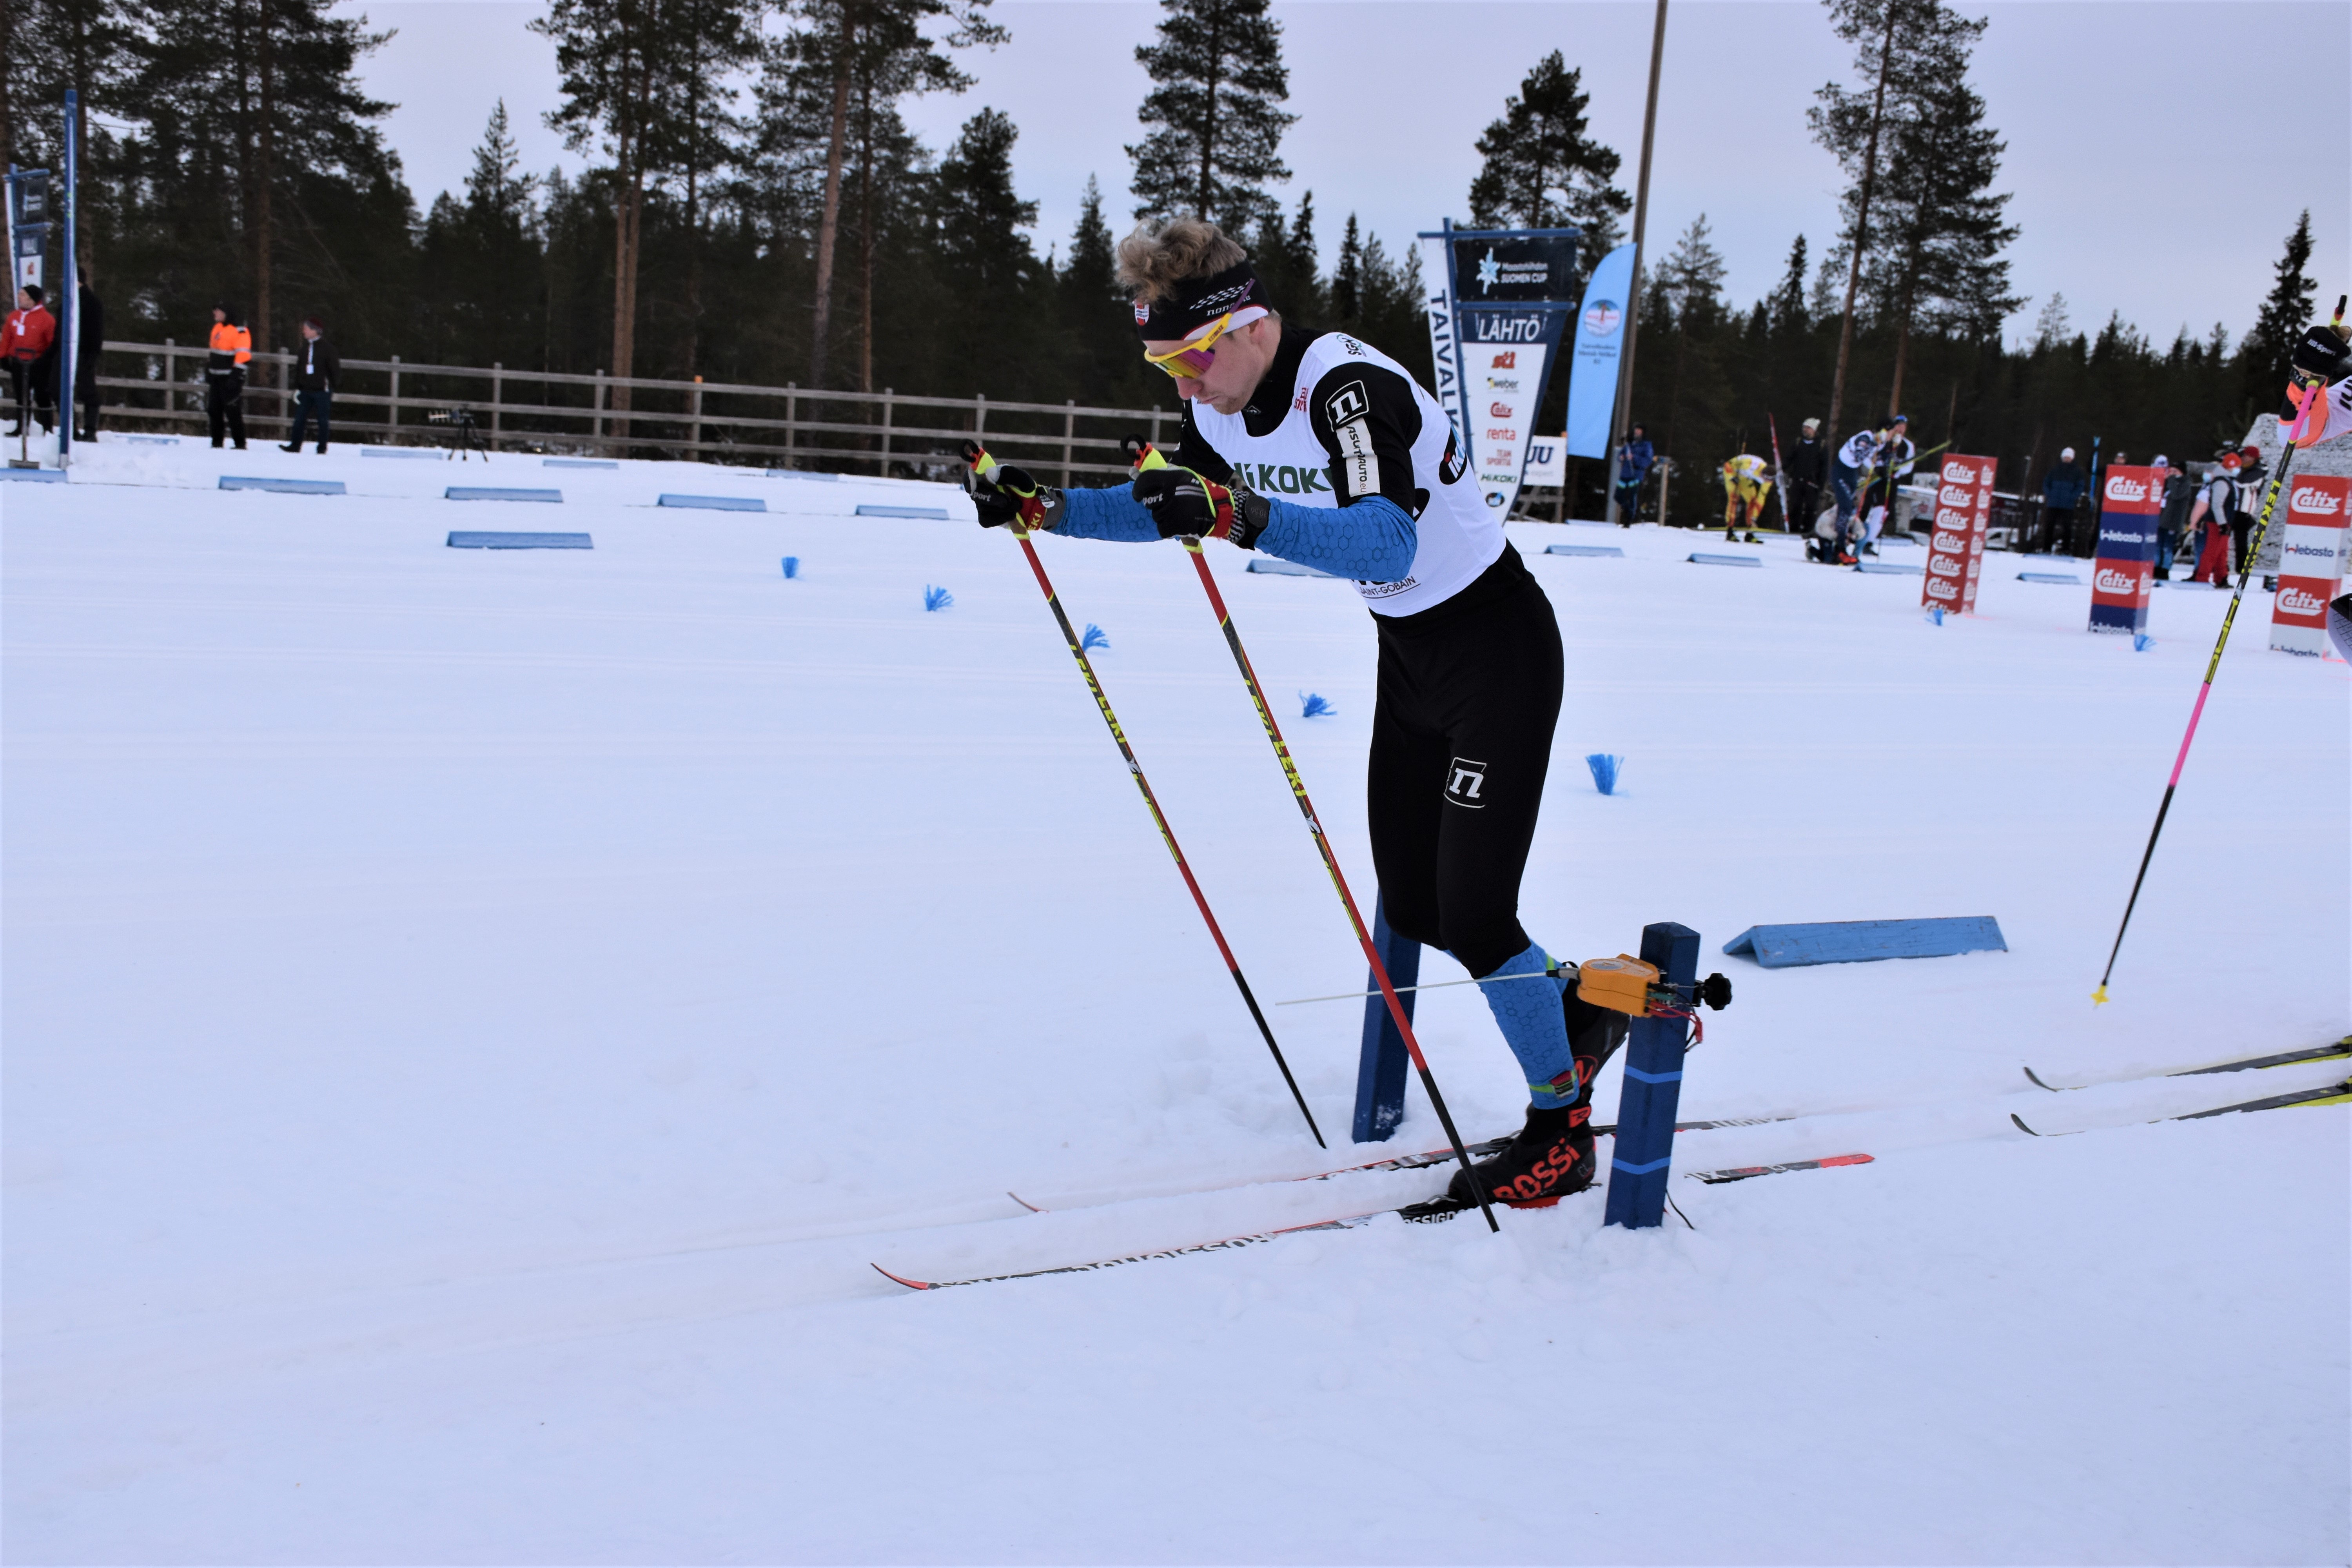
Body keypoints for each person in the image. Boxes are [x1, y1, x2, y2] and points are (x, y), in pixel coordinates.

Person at [965, 218, 1619, 1214]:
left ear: (1252, 323)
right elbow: (1171, 500)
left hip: (1497, 649)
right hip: (1409, 656)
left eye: (1190, 357)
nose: (1181, 384)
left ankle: (1560, 1129)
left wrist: (1243, 518)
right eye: (1159, 362)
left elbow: (1387, 539)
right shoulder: (1218, 403)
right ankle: (1566, 1003)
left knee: (1477, 912)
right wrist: (1046, 508)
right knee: (1415, 902)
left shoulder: (1344, 388)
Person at [1831, 414, 1906, 564]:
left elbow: (1873, 460)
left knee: (1846, 510)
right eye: (1891, 432)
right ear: (1884, 431)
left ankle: (1839, 545)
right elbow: (1860, 455)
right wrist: (1876, 447)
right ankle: (1840, 549)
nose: (1893, 436)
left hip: (1852, 473)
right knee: (1845, 508)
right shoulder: (1866, 438)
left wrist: (1883, 466)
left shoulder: (1877, 442)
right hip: (1840, 472)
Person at [280, 317, 339, 454]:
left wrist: (331, 387)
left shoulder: (328, 349)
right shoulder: (304, 349)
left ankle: (322, 448)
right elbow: (299, 369)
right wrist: (298, 386)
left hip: (322, 391)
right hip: (306, 390)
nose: (304, 332)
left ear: (315, 331)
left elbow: (335, 370)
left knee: (322, 420)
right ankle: (295, 445)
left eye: (306, 329)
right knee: (299, 419)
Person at [4, 284, 55, 437]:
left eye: (23, 295)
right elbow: (7, 338)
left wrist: (46, 360)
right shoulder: (14, 316)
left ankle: (48, 429)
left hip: (39, 364)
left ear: (32, 299)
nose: (19, 297)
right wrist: (3, 357)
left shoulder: (47, 320)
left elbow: (52, 343)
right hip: (19, 362)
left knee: (42, 396)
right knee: (21, 395)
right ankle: (21, 427)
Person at [2185, 451, 2241, 586]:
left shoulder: (2226, 480)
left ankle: (2221, 578)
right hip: (2218, 522)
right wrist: (2222, 524)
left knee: (2222, 552)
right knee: (2211, 552)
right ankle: (2202, 579)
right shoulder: (2222, 482)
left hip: (2223, 522)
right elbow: (2217, 505)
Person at [207, 303, 251, 449]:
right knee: (214, 410)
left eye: (218, 311)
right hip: (216, 377)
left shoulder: (240, 331)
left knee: (233, 411)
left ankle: (240, 443)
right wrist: (209, 369)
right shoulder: (217, 328)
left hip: (231, 378)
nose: (215, 313)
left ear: (226, 313)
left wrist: (236, 376)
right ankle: (217, 442)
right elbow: (214, 351)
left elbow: (244, 355)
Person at [1782, 416, 1826, 536]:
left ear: (1814, 430)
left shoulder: (1821, 445)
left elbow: (1824, 466)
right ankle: (1793, 530)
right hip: (1797, 480)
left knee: (1811, 509)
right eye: (1804, 428)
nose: (1805, 430)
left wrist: (1821, 484)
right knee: (1795, 506)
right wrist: (1781, 469)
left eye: (1808, 428)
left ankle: (1808, 531)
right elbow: (1788, 459)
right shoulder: (1798, 442)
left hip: (1813, 483)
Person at [2041, 448, 2084, 555]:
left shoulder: (2077, 472)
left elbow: (2080, 487)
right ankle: (2046, 549)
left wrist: (2072, 497)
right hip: (2053, 503)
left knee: (2067, 527)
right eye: (2065, 457)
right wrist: (2049, 494)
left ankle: (2066, 550)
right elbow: (2046, 483)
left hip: (2068, 505)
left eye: (2069, 457)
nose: (2067, 459)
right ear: (2062, 457)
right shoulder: (2055, 470)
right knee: (2050, 526)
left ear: (2072, 458)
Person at [1720, 451, 1768, 540]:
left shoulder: (1769, 480)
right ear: (1762, 473)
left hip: (1745, 477)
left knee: (1753, 501)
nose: (1765, 481)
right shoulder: (1751, 465)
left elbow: (1761, 499)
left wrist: (1754, 518)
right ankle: (1730, 531)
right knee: (1734, 498)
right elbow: (1727, 465)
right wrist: (1731, 478)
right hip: (1732, 471)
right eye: (1763, 478)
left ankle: (1750, 533)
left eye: (1767, 480)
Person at [1613, 424, 1654, 525]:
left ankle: (1630, 518)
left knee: (1632, 496)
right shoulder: (1629, 444)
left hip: (1636, 474)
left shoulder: (1646, 445)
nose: (1637, 432)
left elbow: (1647, 461)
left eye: (1639, 431)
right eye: (1636, 430)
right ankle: (1628, 510)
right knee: (1618, 496)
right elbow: (1621, 455)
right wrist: (1621, 457)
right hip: (1625, 473)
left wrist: (1634, 458)